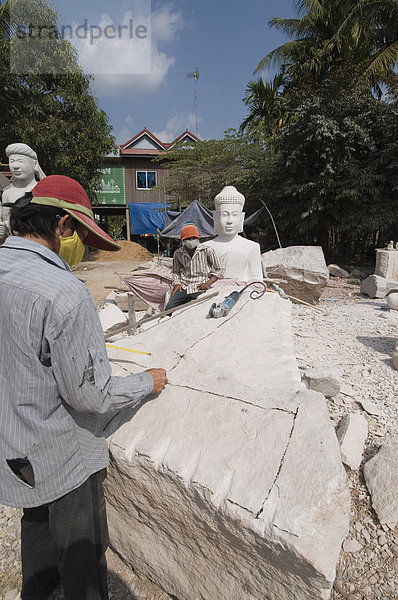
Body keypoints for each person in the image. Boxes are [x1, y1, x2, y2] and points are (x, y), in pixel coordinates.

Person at [0, 174, 167, 600]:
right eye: (79, 234)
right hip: (62, 451)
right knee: (83, 550)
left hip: (15, 443)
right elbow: (90, 397)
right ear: (63, 227)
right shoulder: (64, 293)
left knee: (35, 524)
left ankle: (37, 591)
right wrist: (145, 383)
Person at [204, 185, 263, 282]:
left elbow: (256, 280)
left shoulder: (252, 247)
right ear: (216, 217)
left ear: (241, 218)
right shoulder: (205, 248)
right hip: (212, 293)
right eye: (225, 215)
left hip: (242, 293)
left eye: (235, 215)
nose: (230, 221)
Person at [165, 223, 223, 311]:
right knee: (169, 309)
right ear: (183, 240)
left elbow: (219, 269)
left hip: (200, 287)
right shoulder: (178, 253)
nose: (192, 240)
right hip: (184, 287)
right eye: (188, 238)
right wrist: (177, 283)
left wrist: (207, 283)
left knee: (198, 310)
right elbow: (175, 271)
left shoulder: (207, 250)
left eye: (194, 238)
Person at [0, 143, 46, 239]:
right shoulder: (7, 193)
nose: (15, 166)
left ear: (34, 164)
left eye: (20, 161)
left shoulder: (42, 191)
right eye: (12, 161)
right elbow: (6, 220)